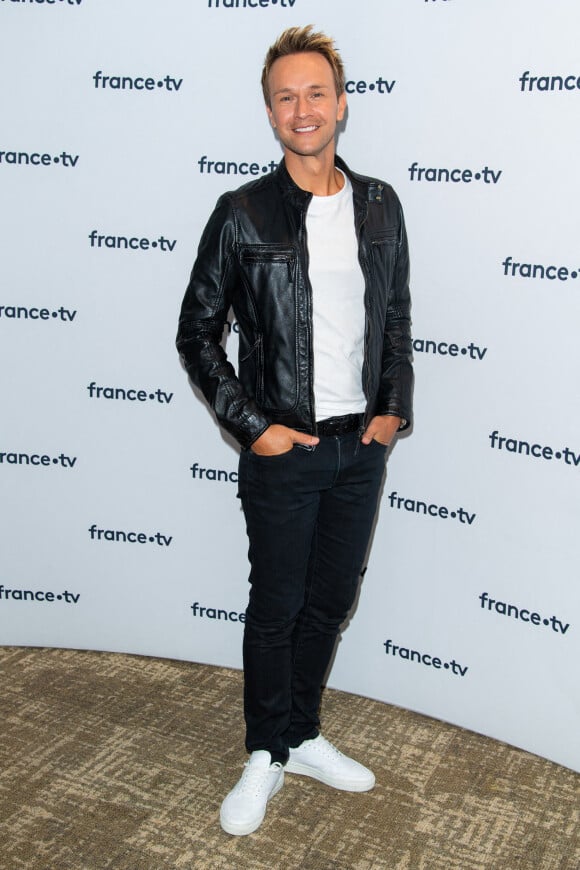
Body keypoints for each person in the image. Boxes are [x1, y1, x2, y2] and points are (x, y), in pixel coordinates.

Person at [176, 25, 413, 836]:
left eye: (317, 93)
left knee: (331, 602)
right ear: (272, 115)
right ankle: (262, 753)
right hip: (286, 451)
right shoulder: (241, 213)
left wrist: (392, 409)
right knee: (275, 606)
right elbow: (196, 334)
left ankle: (303, 734)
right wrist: (255, 428)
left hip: (360, 449)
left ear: (342, 106)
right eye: (286, 97)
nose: (303, 109)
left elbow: (397, 315)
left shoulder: (381, 203)